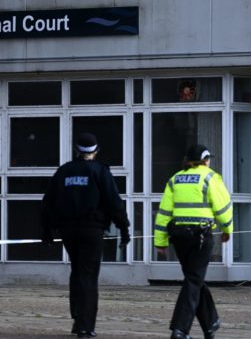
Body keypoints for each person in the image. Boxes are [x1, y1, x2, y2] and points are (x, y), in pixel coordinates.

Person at [41, 132, 131, 338]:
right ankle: (85, 325)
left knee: (78, 271)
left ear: (76, 150)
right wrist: (124, 228)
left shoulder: (64, 171)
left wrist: (46, 230)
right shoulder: (100, 171)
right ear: (96, 151)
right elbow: (114, 202)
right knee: (88, 275)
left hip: (68, 231)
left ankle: (77, 317)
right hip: (92, 230)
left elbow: (47, 202)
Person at [153, 144, 233, 339]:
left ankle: (210, 323)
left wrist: (160, 241)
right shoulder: (210, 177)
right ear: (206, 160)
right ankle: (179, 329)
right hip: (201, 236)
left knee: (194, 279)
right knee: (194, 280)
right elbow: (223, 207)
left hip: (179, 237)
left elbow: (164, 213)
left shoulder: (175, 179)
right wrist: (227, 229)